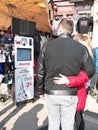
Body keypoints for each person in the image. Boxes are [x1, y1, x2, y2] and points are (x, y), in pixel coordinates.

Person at [35, 18, 95, 130]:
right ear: (72, 32)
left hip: (51, 91)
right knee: (68, 126)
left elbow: (40, 72)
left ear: (59, 30)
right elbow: (90, 71)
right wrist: (71, 79)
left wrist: (39, 91)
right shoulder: (81, 48)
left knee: (53, 125)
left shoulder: (47, 46)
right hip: (70, 93)